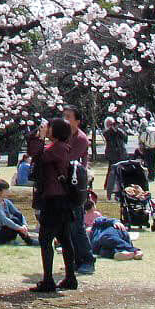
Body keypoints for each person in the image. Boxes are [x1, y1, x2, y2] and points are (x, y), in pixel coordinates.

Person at [31, 118, 82, 293]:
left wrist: (40, 137)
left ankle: (48, 280)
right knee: (65, 239)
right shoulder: (63, 148)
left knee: (45, 240)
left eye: (50, 127)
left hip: (54, 200)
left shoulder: (56, 149)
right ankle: (70, 278)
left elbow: (37, 155)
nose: (47, 129)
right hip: (62, 200)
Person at [62, 106, 96, 276]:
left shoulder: (81, 139)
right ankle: (76, 259)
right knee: (68, 225)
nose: (65, 119)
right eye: (64, 116)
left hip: (77, 187)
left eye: (68, 117)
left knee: (78, 225)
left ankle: (88, 260)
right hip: (65, 186)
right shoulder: (66, 136)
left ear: (77, 121)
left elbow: (66, 158)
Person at [82, 192, 142, 259]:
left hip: (110, 232)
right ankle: (119, 253)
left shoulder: (97, 220)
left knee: (105, 237)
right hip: (100, 244)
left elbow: (104, 220)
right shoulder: (82, 222)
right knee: (102, 251)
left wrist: (115, 222)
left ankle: (134, 250)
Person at [0, 178, 34, 245]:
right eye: (6, 190)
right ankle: (29, 241)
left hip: (6, 230)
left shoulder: (6, 202)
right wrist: (20, 228)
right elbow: (4, 220)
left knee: (17, 216)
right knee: (14, 220)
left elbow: (19, 214)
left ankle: (27, 240)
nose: (8, 191)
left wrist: (24, 225)